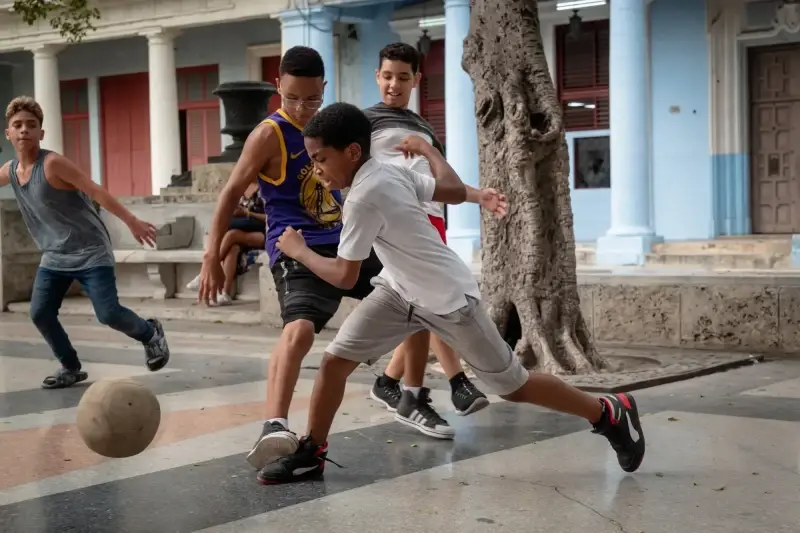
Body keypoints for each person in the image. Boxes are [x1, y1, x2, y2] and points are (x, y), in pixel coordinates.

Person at [255, 102, 646, 485]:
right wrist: (430, 153)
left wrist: (298, 251)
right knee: (334, 363)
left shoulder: (362, 196)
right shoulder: (389, 171)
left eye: (320, 159)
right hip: (398, 291)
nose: (316, 169)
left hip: (448, 302)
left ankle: (607, 412)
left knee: (515, 386)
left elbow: (343, 275)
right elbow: (454, 191)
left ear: (353, 151)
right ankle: (313, 452)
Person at [197, 46, 389, 472]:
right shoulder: (269, 134)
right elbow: (230, 192)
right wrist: (211, 254)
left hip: (345, 244)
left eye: (311, 99)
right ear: (278, 87)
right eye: (293, 98)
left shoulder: (334, 125)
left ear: (324, 89)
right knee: (299, 330)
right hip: (294, 246)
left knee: (408, 287)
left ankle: (400, 386)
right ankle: (274, 425)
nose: (302, 108)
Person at [0, 96, 170, 389]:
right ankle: (70, 366)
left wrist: (132, 222)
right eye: (18, 125)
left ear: (42, 132)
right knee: (40, 312)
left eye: (32, 125)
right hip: (54, 256)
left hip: (90, 251)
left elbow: (95, 190)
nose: (24, 130)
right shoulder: (10, 172)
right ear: (8, 133)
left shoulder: (53, 164)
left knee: (108, 314)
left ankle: (150, 333)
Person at [363, 42, 489, 418]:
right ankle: (456, 382)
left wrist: (479, 195)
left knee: (425, 303)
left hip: (432, 218)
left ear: (416, 80)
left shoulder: (425, 129)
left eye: (403, 77)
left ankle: (391, 382)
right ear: (377, 76)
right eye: (387, 76)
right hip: (397, 221)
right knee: (432, 298)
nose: (393, 84)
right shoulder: (365, 122)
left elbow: (443, 182)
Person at [186, 181, 266, 305]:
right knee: (233, 247)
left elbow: (271, 218)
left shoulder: (265, 189)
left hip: (263, 233)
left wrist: (247, 213)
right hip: (241, 233)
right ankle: (225, 294)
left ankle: (204, 272)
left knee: (231, 235)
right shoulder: (240, 188)